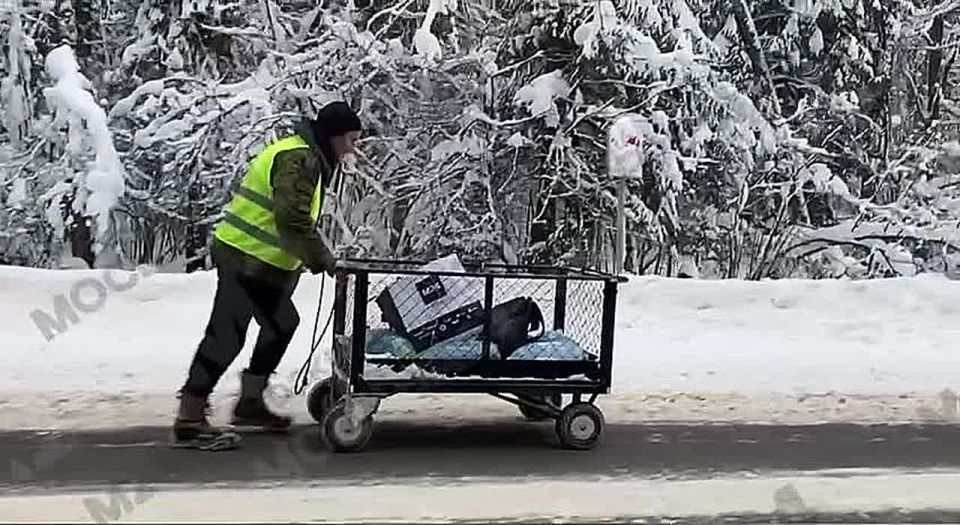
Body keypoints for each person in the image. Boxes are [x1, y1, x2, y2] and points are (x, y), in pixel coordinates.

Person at [172, 101, 363, 450]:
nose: (354, 147)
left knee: (279, 324)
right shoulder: (300, 159)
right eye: (351, 139)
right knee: (228, 334)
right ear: (333, 136)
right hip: (245, 258)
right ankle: (190, 417)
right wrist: (326, 261)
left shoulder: (306, 155)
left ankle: (248, 403)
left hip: (256, 260)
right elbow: (291, 219)